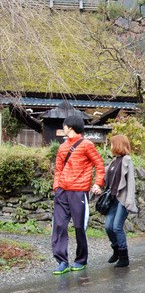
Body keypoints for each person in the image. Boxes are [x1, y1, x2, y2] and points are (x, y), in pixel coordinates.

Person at [51, 115, 105, 275]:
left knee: (80, 226)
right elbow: (58, 169)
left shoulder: (87, 145)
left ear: (71, 127)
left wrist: (98, 183)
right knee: (59, 225)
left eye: (64, 126)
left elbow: (99, 165)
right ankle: (62, 261)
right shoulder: (62, 147)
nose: (63, 128)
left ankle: (81, 260)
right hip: (62, 191)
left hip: (79, 192)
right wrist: (56, 185)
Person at [103, 135, 138, 268]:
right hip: (112, 199)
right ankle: (116, 249)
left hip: (122, 200)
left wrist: (129, 200)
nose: (111, 146)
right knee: (108, 227)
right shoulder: (113, 162)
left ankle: (124, 256)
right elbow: (106, 181)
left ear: (117, 145)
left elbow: (131, 182)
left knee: (117, 226)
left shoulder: (127, 160)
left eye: (112, 144)